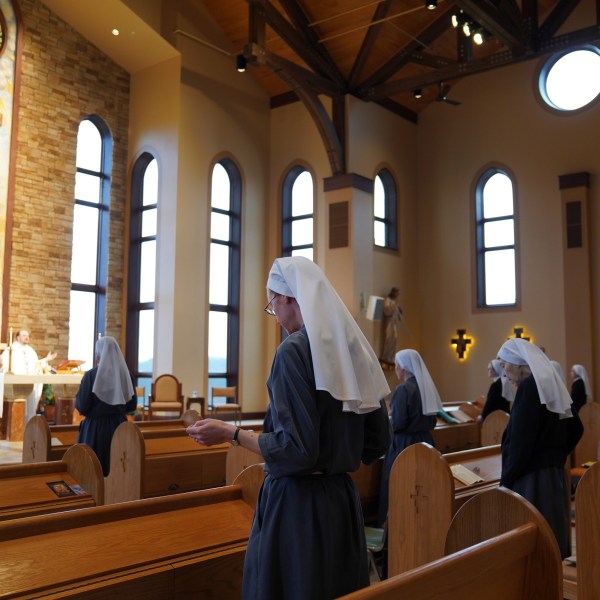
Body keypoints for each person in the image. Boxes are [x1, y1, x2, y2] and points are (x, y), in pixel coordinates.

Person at [187, 256, 392, 600]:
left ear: (288, 299)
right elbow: (378, 440)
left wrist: (231, 433)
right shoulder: (353, 347)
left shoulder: (293, 352)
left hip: (299, 507)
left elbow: (297, 450)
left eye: (272, 305)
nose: (275, 317)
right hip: (341, 504)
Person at [497, 338, 583, 559]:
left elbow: (520, 443)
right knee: (551, 538)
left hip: (531, 479)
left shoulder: (529, 388)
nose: (504, 373)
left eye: (505, 365)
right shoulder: (550, 383)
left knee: (534, 546)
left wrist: (506, 480)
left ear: (517, 363)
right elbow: (577, 427)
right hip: (552, 475)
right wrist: (556, 455)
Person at [377, 348, 442, 527]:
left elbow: (397, 422)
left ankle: (393, 530)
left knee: (398, 487)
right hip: (426, 443)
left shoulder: (403, 389)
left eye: (397, 365)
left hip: (404, 445)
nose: (396, 369)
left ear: (403, 368)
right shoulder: (426, 388)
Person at [75, 336, 136, 476]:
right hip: (119, 426)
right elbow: (132, 405)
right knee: (118, 468)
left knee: (92, 471)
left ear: (98, 355)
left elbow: (83, 406)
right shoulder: (126, 375)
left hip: (94, 429)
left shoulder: (91, 375)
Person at [0, 329, 57, 421]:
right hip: (16, 386)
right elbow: (3, 364)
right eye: (24, 335)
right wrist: (2, 364)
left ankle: (29, 430)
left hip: (30, 386)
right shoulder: (10, 350)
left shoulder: (31, 351)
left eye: (27, 336)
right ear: (18, 337)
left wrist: (46, 359)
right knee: (17, 412)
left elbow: (36, 365)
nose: (27, 337)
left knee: (30, 410)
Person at [477, 359, 512, 423]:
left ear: (496, 370)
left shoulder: (496, 385)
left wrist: (482, 416)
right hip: (503, 416)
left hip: (496, 418)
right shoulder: (503, 383)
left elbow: (490, 403)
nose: (488, 370)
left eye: (490, 369)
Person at [380, 287, 403, 365]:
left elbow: (398, 315)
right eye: (397, 293)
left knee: (395, 339)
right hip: (389, 323)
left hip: (394, 324)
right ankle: (386, 356)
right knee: (389, 339)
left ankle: (391, 357)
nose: (398, 295)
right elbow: (386, 311)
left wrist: (400, 311)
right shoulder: (388, 300)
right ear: (394, 292)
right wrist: (394, 306)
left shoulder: (395, 302)